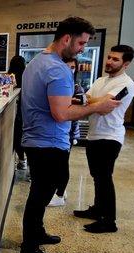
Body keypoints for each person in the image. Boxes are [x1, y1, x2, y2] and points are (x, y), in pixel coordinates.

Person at [19, 17, 120, 253]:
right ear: (67, 38)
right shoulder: (58, 69)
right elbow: (61, 114)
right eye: (81, 43)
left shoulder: (37, 62)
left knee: (42, 192)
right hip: (48, 142)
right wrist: (98, 108)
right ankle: (29, 249)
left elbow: (54, 104)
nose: (83, 49)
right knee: (40, 194)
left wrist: (79, 104)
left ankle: (37, 232)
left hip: (37, 139)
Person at [73, 45, 134, 233]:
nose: (109, 61)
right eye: (109, 57)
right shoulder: (101, 80)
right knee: (97, 176)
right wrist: (91, 101)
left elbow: (103, 102)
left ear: (126, 63)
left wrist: (89, 100)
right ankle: (98, 209)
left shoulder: (126, 83)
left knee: (104, 178)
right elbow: (90, 99)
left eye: (115, 59)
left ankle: (109, 221)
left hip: (110, 136)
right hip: (93, 134)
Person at [47, 57, 84, 207]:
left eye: (72, 67)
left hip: (67, 133)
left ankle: (60, 194)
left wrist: (74, 135)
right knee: (57, 165)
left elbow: (77, 114)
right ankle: (60, 188)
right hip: (55, 131)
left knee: (63, 164)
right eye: (66, 66)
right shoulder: (56, 86)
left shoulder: (77, 89)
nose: (69, 70)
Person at [8, 55, 27, 170]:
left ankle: (20, 160)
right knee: (23, 136)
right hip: (25, 112)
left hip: (16, 113)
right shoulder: (27, 77)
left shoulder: (10, 77)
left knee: (17, 136)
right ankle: (25, 161)